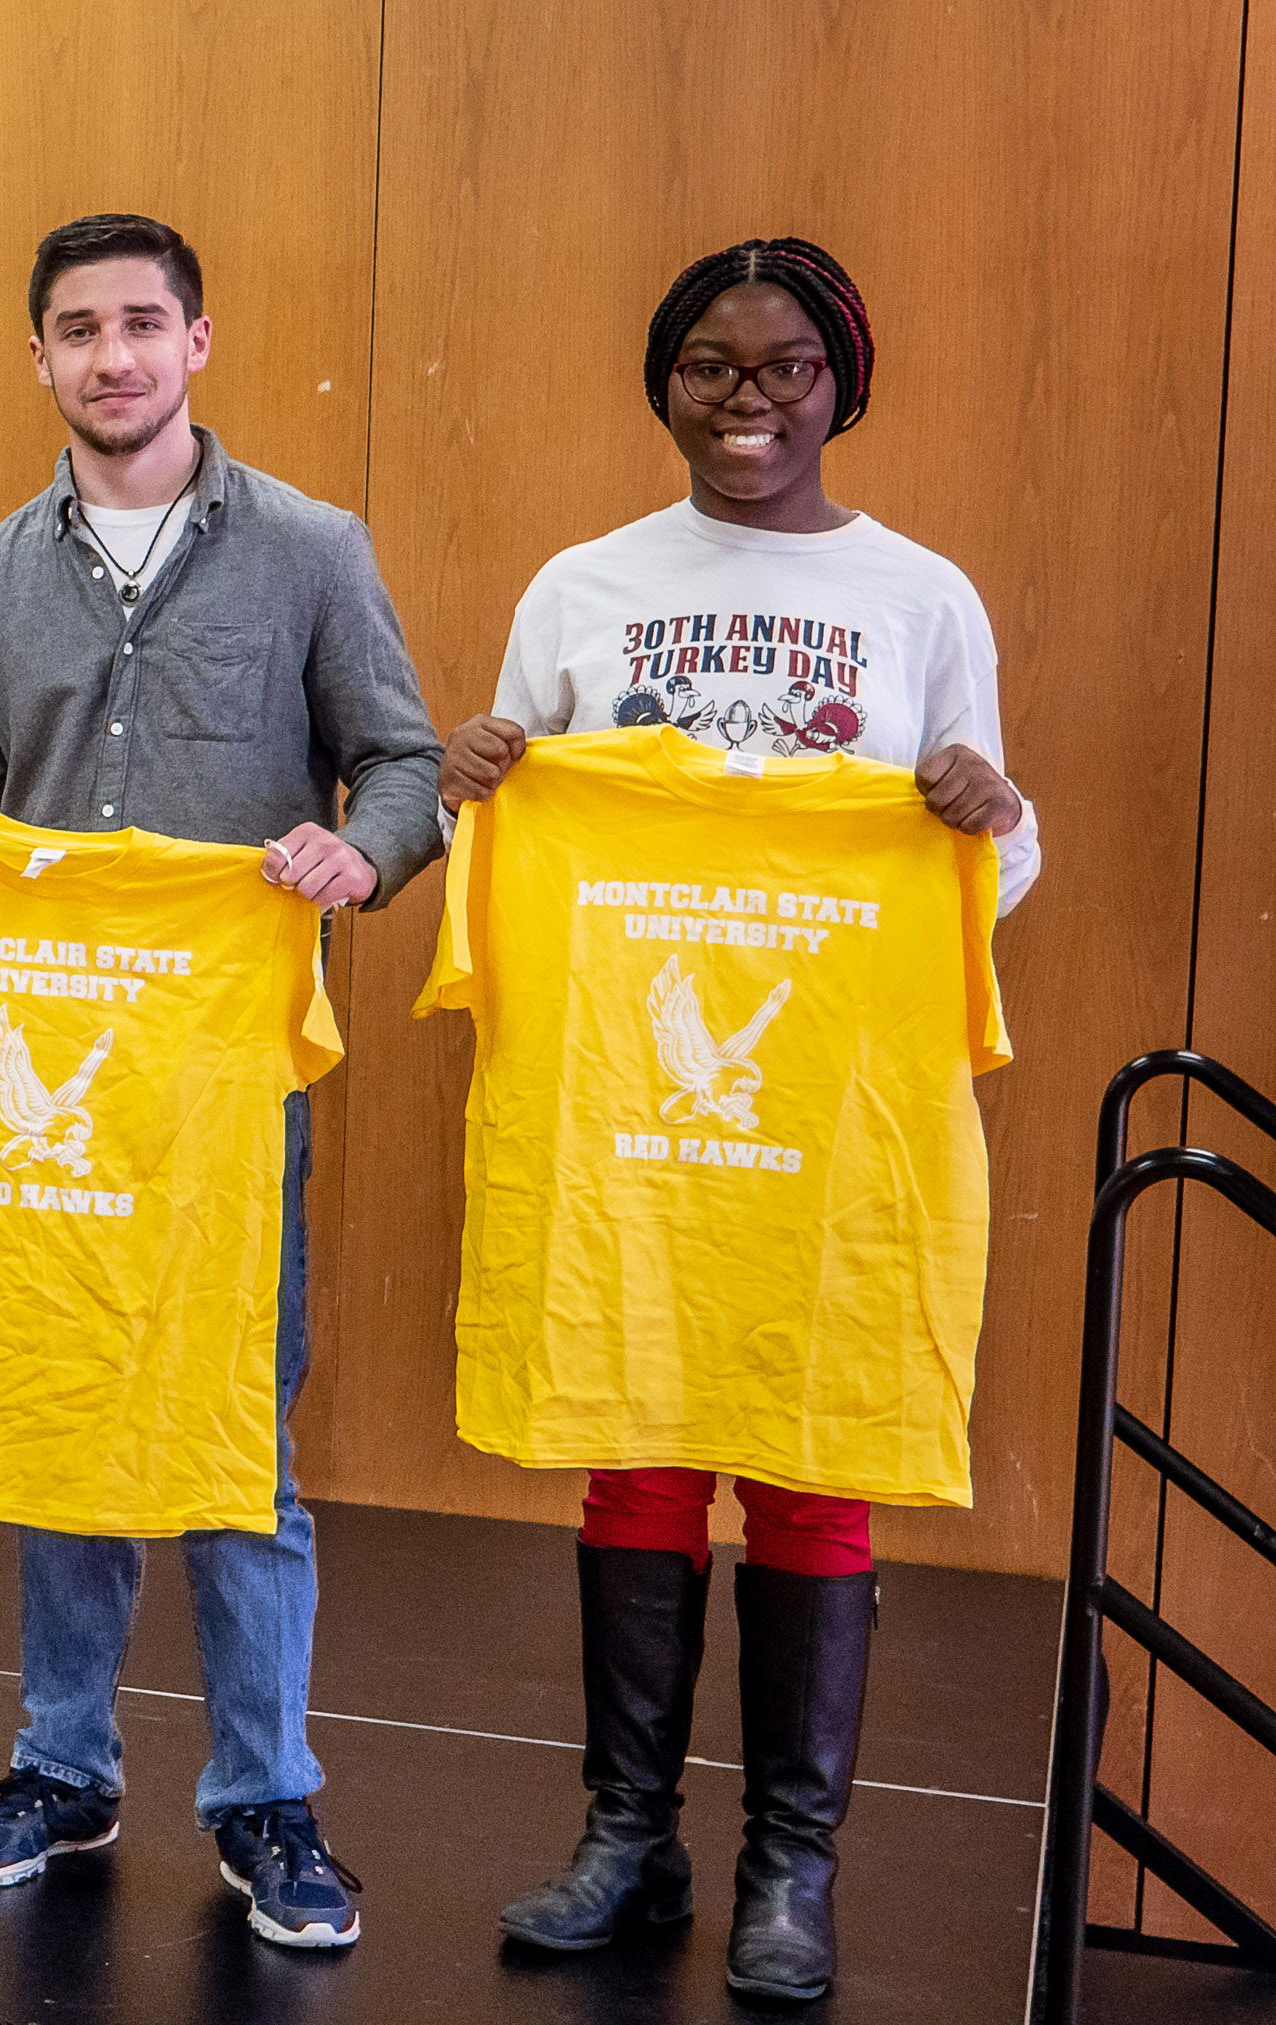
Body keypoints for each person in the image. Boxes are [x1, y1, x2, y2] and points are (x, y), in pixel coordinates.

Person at [0, 215, 442, 1948]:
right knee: (61, 1412)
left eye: (142, 324)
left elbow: (403, 761)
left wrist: (359, 856)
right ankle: (62, 1769)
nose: (113, 356)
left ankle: (269, 1801)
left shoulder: (309, 546)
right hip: (44, 1067)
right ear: (40, 361)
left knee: (240, 1442)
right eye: (78, 330)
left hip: (227, 1080)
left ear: (199, 342)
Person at [439, 238, 1033, 2005]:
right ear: (664, 381)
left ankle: (793, 1865)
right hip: (630, 1110)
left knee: (809, 1454)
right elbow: (526, 822)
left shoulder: (922, 598)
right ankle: (631, 1836)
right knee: (636, 1439)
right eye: (711, 365)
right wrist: (483, 782)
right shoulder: (586, 586)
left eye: (785, 367)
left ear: (843, 382)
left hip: (835, 1114)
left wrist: (987, 816)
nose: (749, 399)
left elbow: (994, 873)